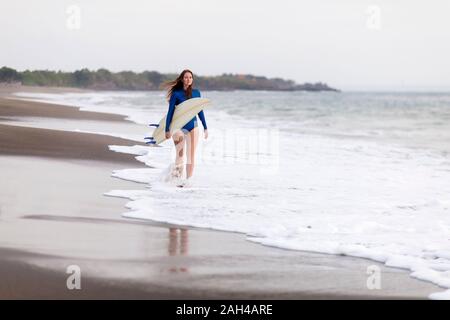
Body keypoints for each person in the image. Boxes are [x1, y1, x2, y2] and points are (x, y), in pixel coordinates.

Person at [163, 69, 208, 180]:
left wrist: (205, 127)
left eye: (190, 77)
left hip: (193, 127)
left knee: (191, 156)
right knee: (180, 154)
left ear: (192, 80)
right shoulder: (176, 94)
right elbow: (170, 112)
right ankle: (176, 180)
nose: (188, 79)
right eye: (186, 77)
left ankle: (187, 181)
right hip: (178, 128)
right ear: (182, 79)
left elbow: (200, 111)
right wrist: (167, 129)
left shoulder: (197, 93)